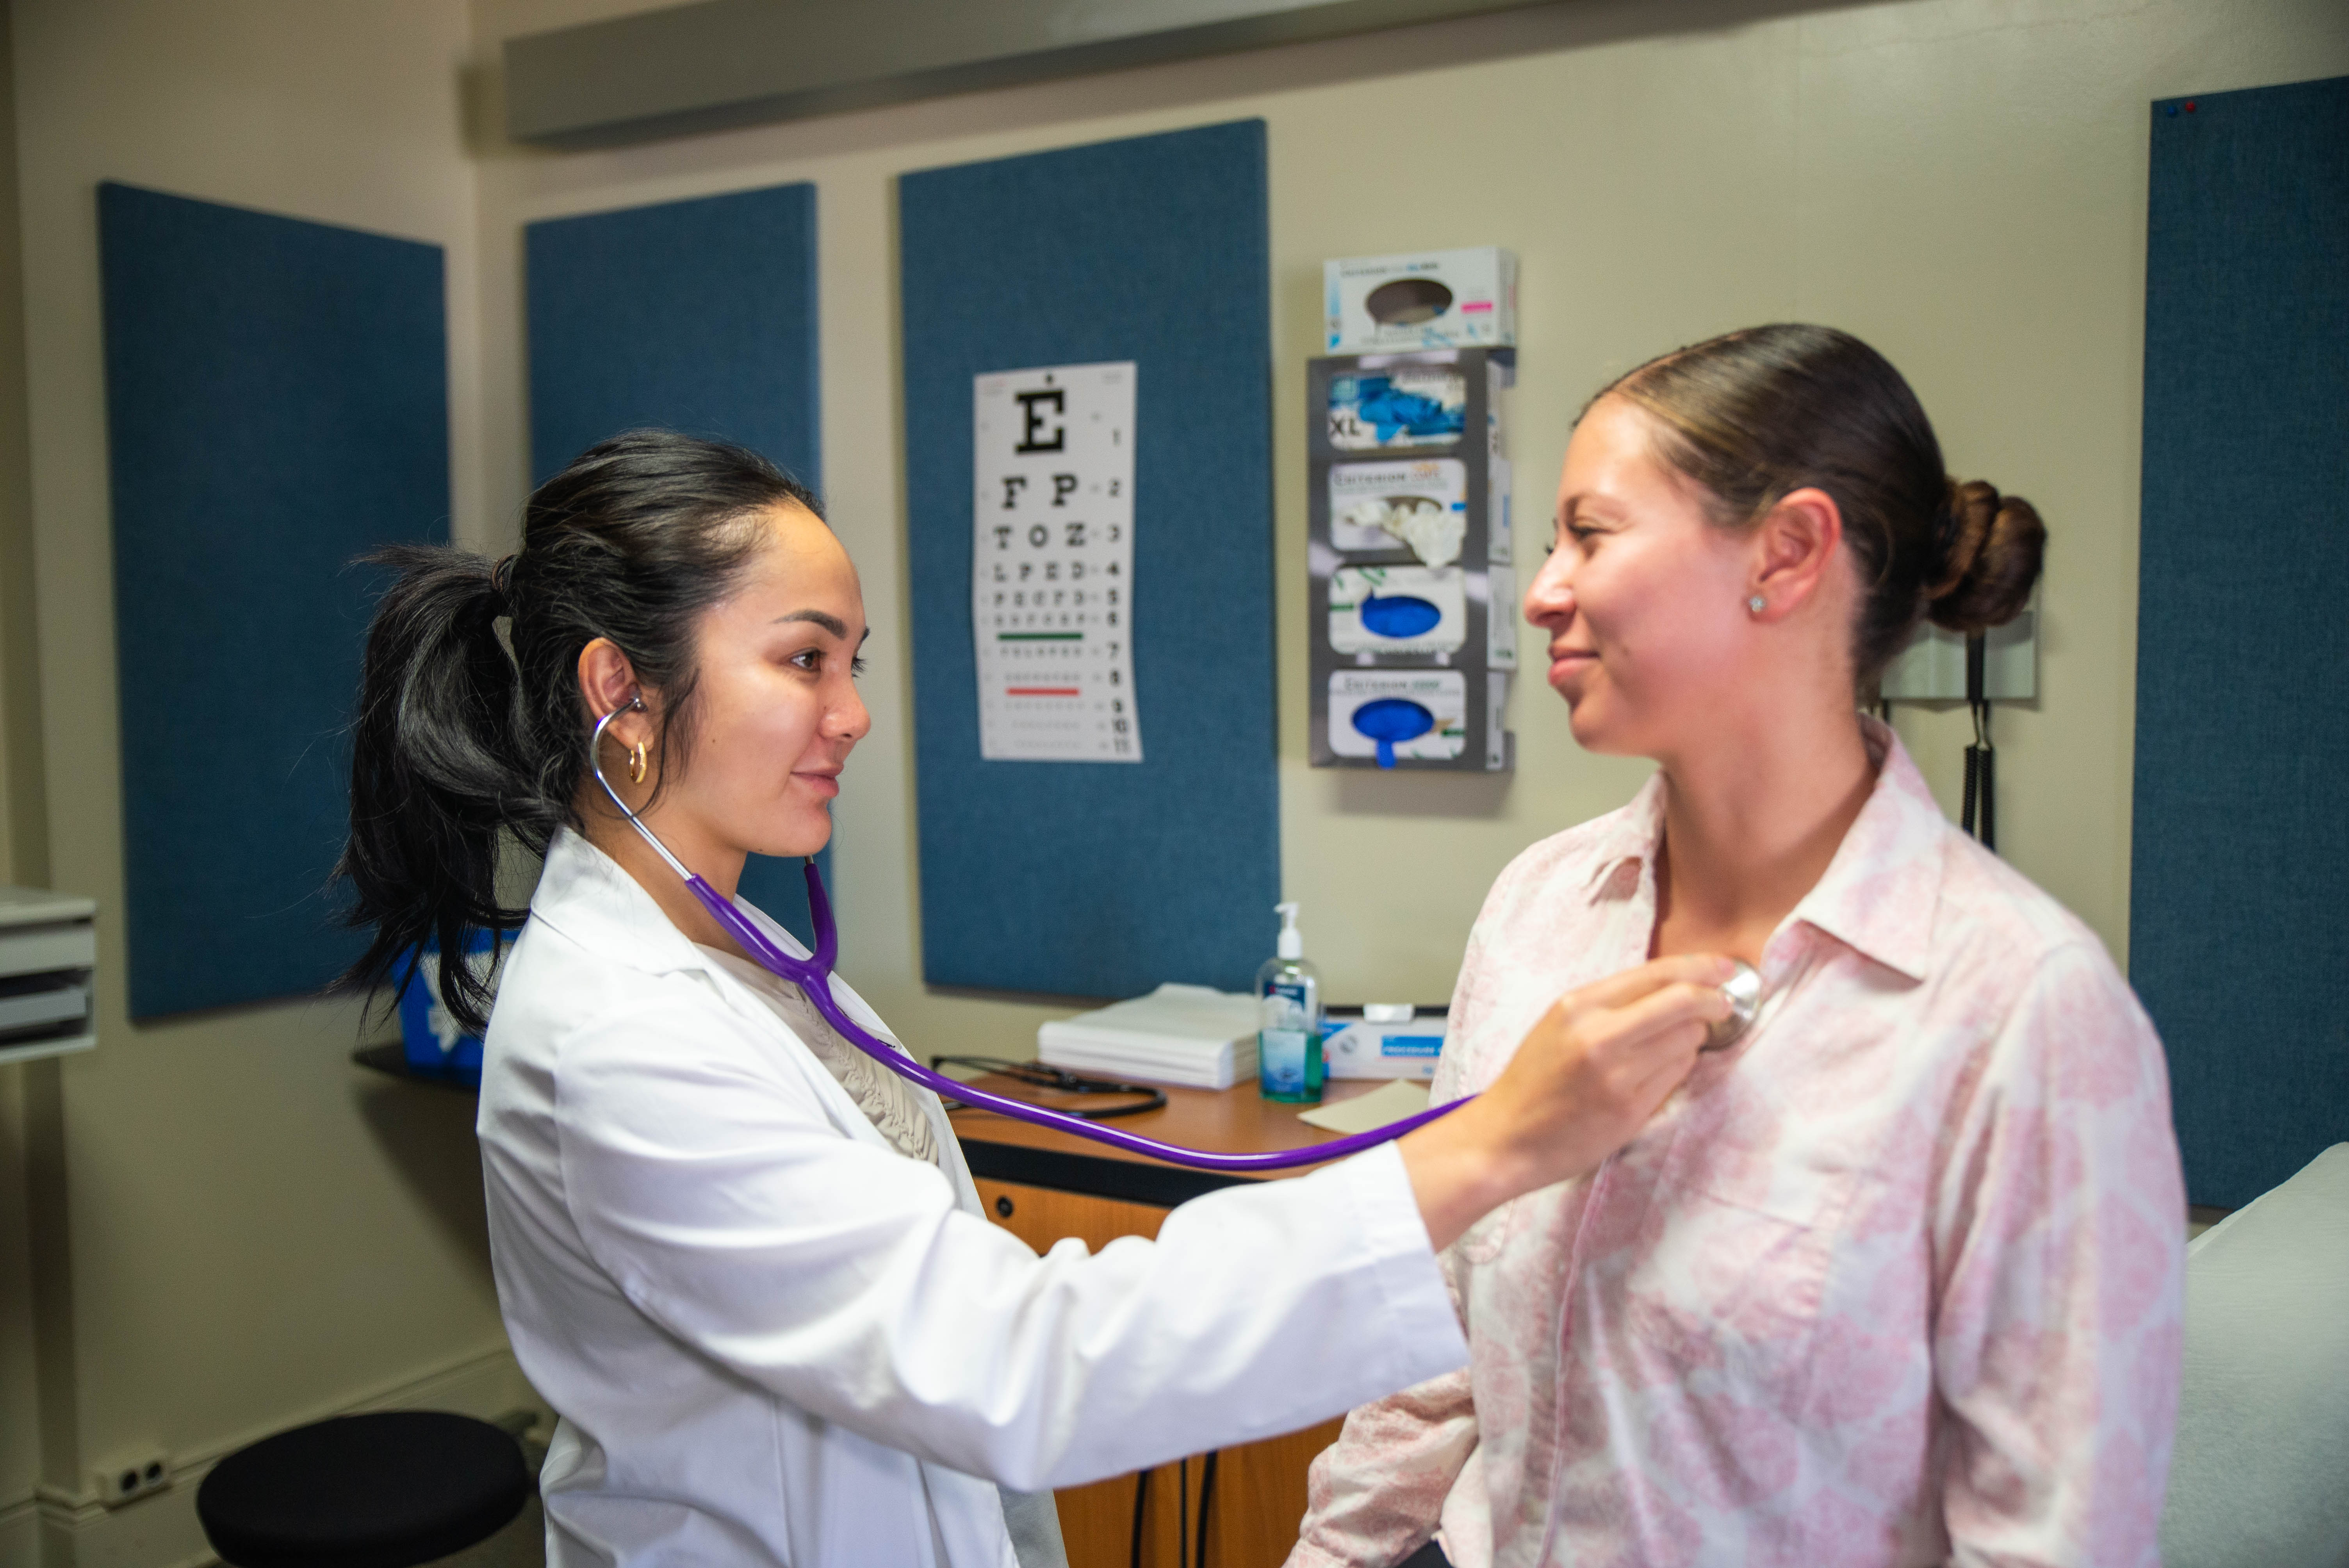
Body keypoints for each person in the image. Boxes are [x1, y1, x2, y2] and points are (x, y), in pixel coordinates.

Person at [334, 429, 1740, 1568]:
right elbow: (1012, 1361)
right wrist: (1493, 1148)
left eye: (854, 663)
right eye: (805, 658)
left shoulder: (730, 957)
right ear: (620, 693)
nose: (856, 712)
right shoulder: (618, 1037)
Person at [1288, 325, 2185, 1568]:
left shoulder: (2025, 1012)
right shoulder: (1546, 907)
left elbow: (2054, 1542)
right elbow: (1435, 1366)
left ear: (1788, 552)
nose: (1543, 589)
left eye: (1590, 534)